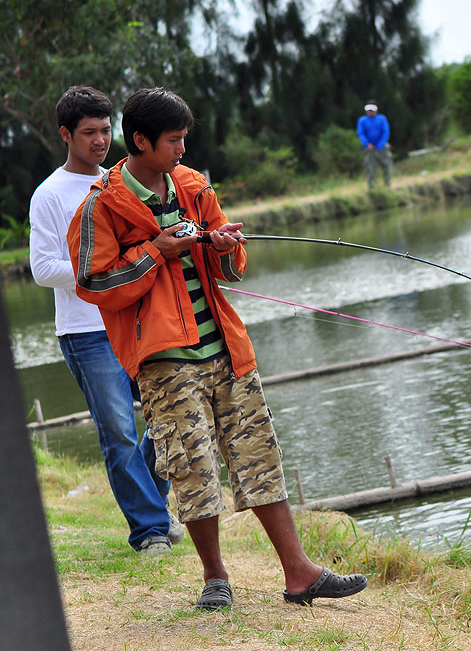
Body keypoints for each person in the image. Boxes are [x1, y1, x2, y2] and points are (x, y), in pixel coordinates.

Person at [67, 87, 368, 611]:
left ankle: (299, 574)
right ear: (140, 141)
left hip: (227, 348)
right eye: (173, 141)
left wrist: (226, 246)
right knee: (192, 468)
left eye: (185, 140)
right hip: (164, 362)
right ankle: (215, 577)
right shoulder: (102, 207)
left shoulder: (193, 186)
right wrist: (158, 251)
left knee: (259, 457)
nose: (182, 150)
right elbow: (94, 286)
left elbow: (228, 270)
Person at [29, 85, 184, 556]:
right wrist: (101, 270)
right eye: (89, 132)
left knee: (169, 414)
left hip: (135, 324)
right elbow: (41, 269)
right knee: (117, 431)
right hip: (86, 332)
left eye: (104, 130)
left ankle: (153, 508)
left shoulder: (118, 182)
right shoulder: (50, 195)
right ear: (66, 134)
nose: (100, 140)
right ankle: (150, 531)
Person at [356, 101, 392, 188]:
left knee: (386, 165)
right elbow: (361, 133)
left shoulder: (382, 118)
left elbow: (386, 132)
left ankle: (387, 185)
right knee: (370, 167)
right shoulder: (362, 120)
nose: (370, 112)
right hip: (369, 148)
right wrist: (367, 144)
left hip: (382, 146)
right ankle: (372, 187)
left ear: (376, 110)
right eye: (369, 110)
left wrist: (380, 145)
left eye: (372, 110)